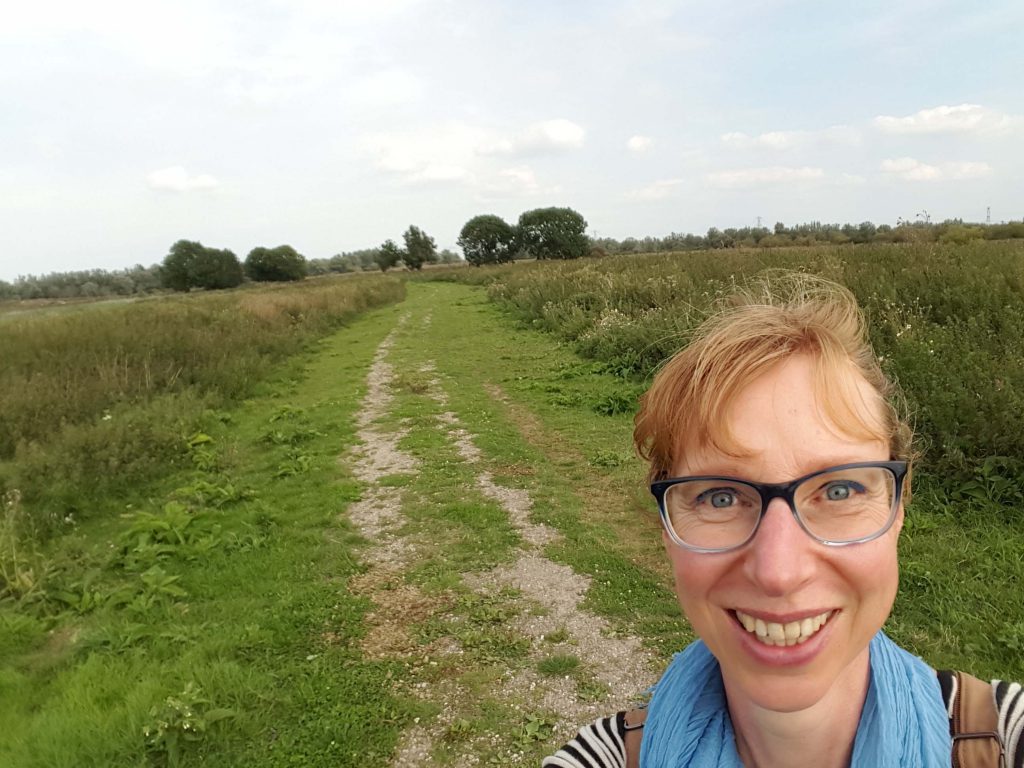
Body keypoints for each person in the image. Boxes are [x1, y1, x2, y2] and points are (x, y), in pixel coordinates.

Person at [543, 273, 1023, 768]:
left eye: (839, 490)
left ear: (897, 510)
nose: (779, 573)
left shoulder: (1008, 739)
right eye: (721, 497)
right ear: (667, 528)